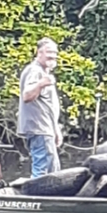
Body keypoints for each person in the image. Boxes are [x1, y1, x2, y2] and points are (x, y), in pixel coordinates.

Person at [17, 37, 63, 177]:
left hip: (46, 128)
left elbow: (48, 106)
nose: (53, 56)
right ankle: (37, 198)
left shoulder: (43, 72)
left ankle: (48, 197)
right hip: (39, 128)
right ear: (39, 52)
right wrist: (40, 84)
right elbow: (27, 96)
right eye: (49, 52)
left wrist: (56, 130)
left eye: (55, 53)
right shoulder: (34, 70)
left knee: (52, 169)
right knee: (43, 171)